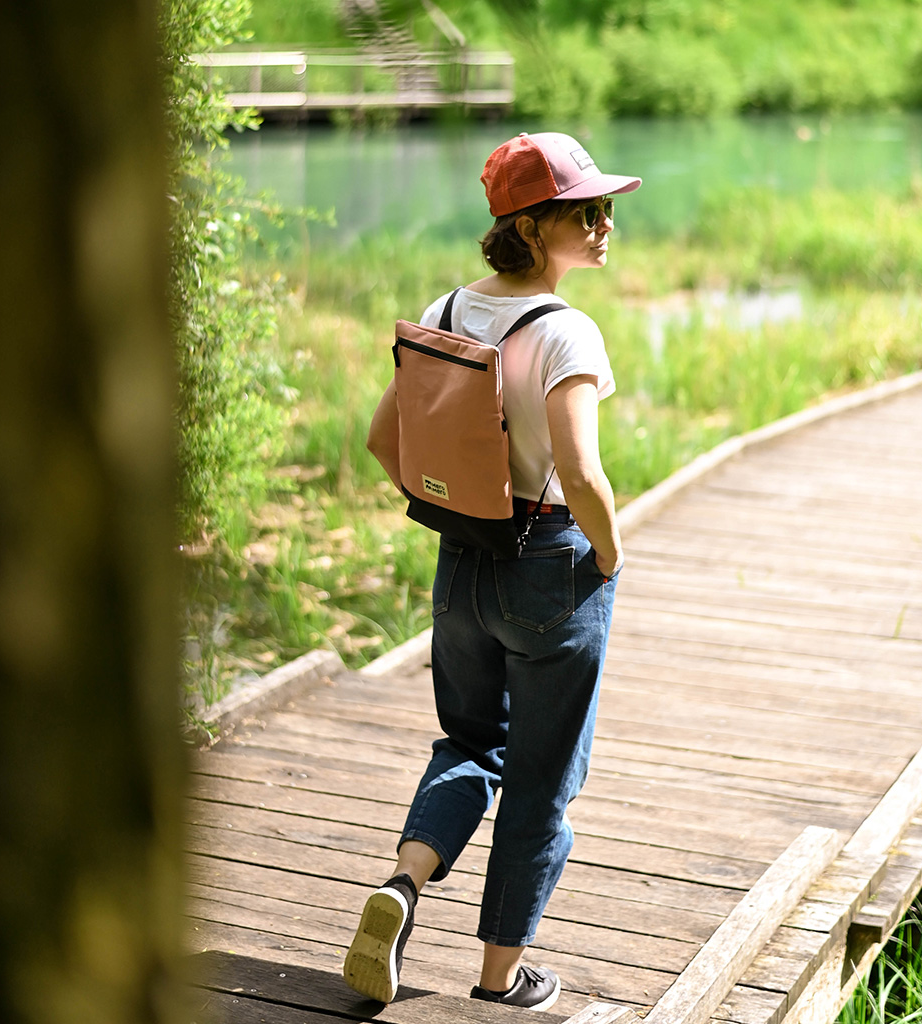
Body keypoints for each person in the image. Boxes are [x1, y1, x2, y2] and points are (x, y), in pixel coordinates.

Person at [346, 131, 641, 1012]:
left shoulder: (444, 309)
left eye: (607, 211)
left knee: (470, 745)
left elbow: (379, 439)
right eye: (586, 213)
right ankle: (498, 978)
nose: (604, 226)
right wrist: (612, 554)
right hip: (550, 562)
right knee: (543, 779)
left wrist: (456, 506)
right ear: (534, 224)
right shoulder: (565, 330)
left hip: (461, 559)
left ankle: (402, 886)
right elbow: (582, 472)